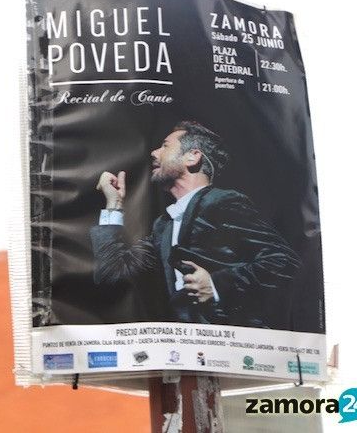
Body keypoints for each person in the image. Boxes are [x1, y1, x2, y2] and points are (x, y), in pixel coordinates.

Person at [90, 121, 300, 329]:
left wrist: (216, 286)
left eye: (165, 146)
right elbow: (112, 273)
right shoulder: (163, 226)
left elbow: (284, 262)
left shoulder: (224, 202)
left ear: (193, 156)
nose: (154, 152)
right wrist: (114, 204)